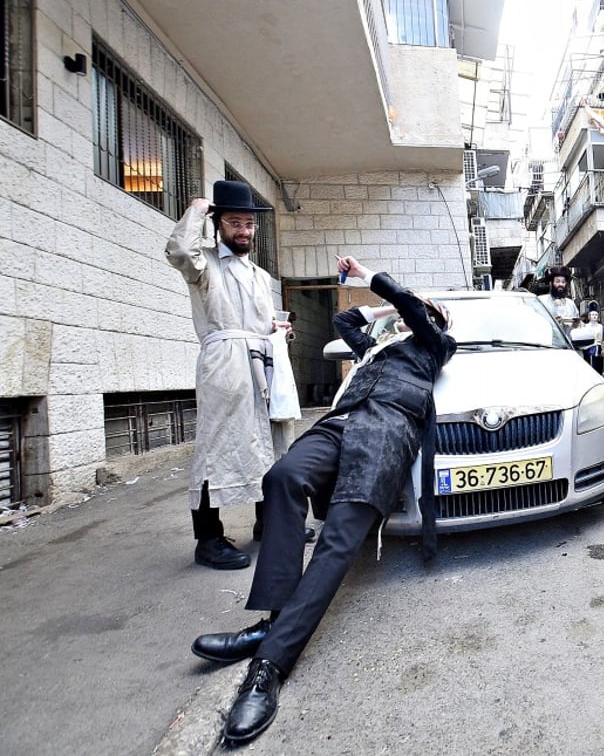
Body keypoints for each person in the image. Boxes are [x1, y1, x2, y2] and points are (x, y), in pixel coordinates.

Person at [189, 256, 454, 745]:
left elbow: (413, 312)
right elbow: (343, 320)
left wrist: (382, 285)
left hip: (386, 433)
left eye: (422, 312)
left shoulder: (437, 346)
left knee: (338, 542)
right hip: (339, 425)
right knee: (282, 479)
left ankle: (268, 665)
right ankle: (273, 620)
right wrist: (380, 314)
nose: (413, 315)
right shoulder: (377, 346)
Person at [166, 181, 299, 570]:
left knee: (271, 442)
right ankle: (207, 539)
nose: (243, 230)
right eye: (233, 222)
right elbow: (178, 250)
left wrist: (276, 329)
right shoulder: (204, 264)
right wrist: (197, 209)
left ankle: (267, 524)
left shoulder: (258, 273)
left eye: (248, 224)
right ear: (218, 223)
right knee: (217, 445)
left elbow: (258, 321)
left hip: (262, 360)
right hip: (225, 362)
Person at [578, 307, 604, 375]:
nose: (594, 316)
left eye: (596, 315)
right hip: (589, 348)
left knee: (599, 367)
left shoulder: (600, 326)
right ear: (589, 316)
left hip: (598, 348)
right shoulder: (585, 326)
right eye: (592, 315)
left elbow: (602, 338)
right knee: (591, 366)